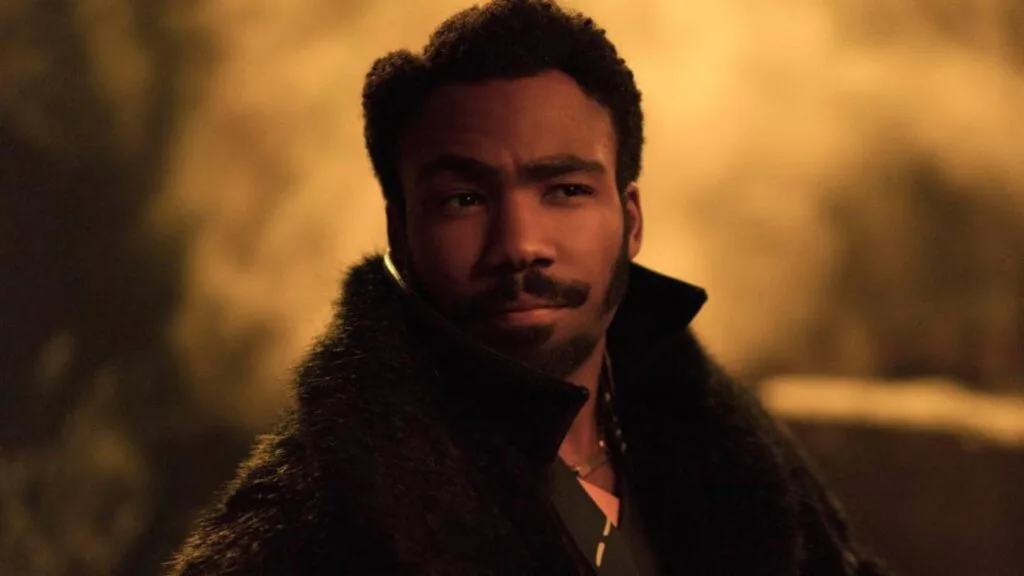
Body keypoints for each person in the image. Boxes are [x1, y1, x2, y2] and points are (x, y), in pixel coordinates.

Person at [169, 1, 890, 574]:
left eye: (565, 189)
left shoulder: (731, 455)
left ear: (630, 220)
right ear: (401, 233)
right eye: (464, 200)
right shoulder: (309, 532)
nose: (518, 245)